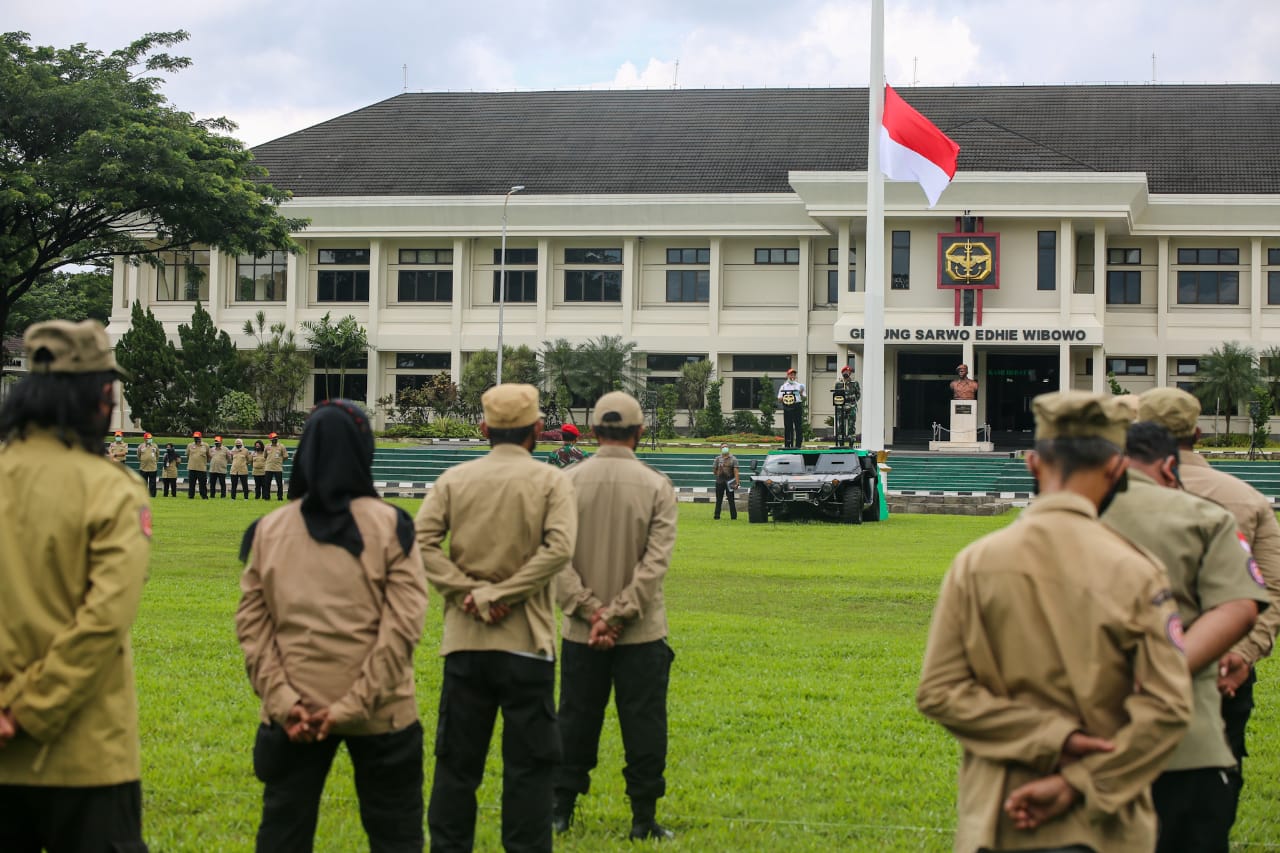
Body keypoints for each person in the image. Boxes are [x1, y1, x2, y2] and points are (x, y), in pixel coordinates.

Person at [917, 391, 1192, 853]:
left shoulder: (976, 564)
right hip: (1102, 829)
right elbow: (1169, 707)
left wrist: (1049, 739)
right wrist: (1078, 781)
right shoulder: (1139, 572)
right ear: (1117, 469)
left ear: (1032, 464)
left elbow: (939, 692)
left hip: (1000, 821)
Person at [236, 399, 429, 853]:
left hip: (294, 715)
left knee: (283, 832)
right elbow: (402, 630)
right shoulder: (393, 527)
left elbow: (252, 629)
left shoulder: (267, 530)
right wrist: (353, 706)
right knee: (396, 836)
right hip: (383, 713)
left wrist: (285, 701)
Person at [0, 319, 152, 852]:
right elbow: (103, 619)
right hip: (86, 757)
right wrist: (29, 711)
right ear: (101, 394)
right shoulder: (110, 489)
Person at [414, 383, 576, 853]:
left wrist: (472, 593)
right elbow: (559, 549)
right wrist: (503, 593)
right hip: (527, 642)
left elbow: (422, 543)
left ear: (483, 429)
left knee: (456, 766)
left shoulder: (454, 480)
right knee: (529, 769)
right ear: (538, 430)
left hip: (467, 643)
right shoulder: (552, 482)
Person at [1102, 419, 1267, 852]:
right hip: (1186, 735)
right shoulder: (1210, 516)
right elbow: (1243, 605)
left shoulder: (1055, 522)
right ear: (1171, 463)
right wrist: (1240, 653)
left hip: (1080, 740)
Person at [1138, 388, 1280, 806]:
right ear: (1197, 433)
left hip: (1132, 671)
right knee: (1204, 808)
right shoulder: (1246, 499)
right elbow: (1270, 589)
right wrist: (1243, 654)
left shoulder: (1109, 499)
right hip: (1222, 669)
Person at [553, 391, 678, 841]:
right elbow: (654, 564)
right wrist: (620, 614)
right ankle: (643, 818)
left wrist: (592, 612)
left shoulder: (565, 482)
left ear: (592, 431)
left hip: (580, 631)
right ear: (639, 433)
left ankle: (560, 811)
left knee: (573, 719)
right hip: (641, 633)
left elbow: (555, 560)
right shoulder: (656, 485)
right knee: (644, 724)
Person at [777, 368, 806, 449]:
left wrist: (800, 392)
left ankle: (798, 445)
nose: (792, 376)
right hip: (787, 406)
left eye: (794, 374)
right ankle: (787, 444)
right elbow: (779, 399)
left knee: (798, 426)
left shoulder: (799, 385)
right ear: (788, 375)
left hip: (797, 405)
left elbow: (804, 396)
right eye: (791, 374)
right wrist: (786, 397)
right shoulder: (783, 386)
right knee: (788, 426)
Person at [834, 365, 861, 446]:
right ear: (842, 373)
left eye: (849, 372)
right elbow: (836, 394)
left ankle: (851, 442)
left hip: (851, 406)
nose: (847, 373)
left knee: (851, 424)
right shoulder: (838, 384)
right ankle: (841, 442)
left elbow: (858, 394)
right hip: (841, 406)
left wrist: (853, 401)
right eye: (845, 372)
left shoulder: (854, 383)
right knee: (841, 424)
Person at [712, 445, 740, 520]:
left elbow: (736, 472)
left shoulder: (733, 459)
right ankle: (716, 516)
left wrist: (737, 482)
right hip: (720, 481)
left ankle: (733, 517)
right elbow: (714, 472)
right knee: (719, 499)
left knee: (731, 499)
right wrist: (719, 471)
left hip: (730, 481)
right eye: (723, 447)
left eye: (726, 446)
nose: (725, 448)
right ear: (720, 449)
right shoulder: (717, 459)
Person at [264, 432, 289, 501]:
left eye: (276, 438)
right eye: (274, 438)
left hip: (278, 468)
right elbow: (265, 456)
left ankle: (280, 497)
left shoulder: (281, 446)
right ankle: (266, 497)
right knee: (267, 484)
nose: (275, 439)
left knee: (279, 484)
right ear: (270, 439)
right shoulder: (267, 446)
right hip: (268, 468)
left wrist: (280, 461)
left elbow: (286, 456)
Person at [186, 431, 209, 499]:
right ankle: (191, 496)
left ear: (201, 437)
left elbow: (208, 456)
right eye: (195, 438)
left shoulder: (206, 445)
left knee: (202, 484)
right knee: (191, 484)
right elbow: (188, 455)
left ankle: (204, 496)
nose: (196, 439)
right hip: (192, 467)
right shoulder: (190, 445)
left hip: (201, 468)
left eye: (197, 437)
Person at [137, 432, 159, 498]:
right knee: (143, 482)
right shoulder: (140, 446)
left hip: (152, 467)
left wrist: (154, 461)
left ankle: (152, 495)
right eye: (148, 438)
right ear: (144, 439)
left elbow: (157, 455)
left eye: (150, 438)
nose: (149, 439)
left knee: (152, 482)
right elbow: (138, 456)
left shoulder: (155, 446)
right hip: (143, 467)